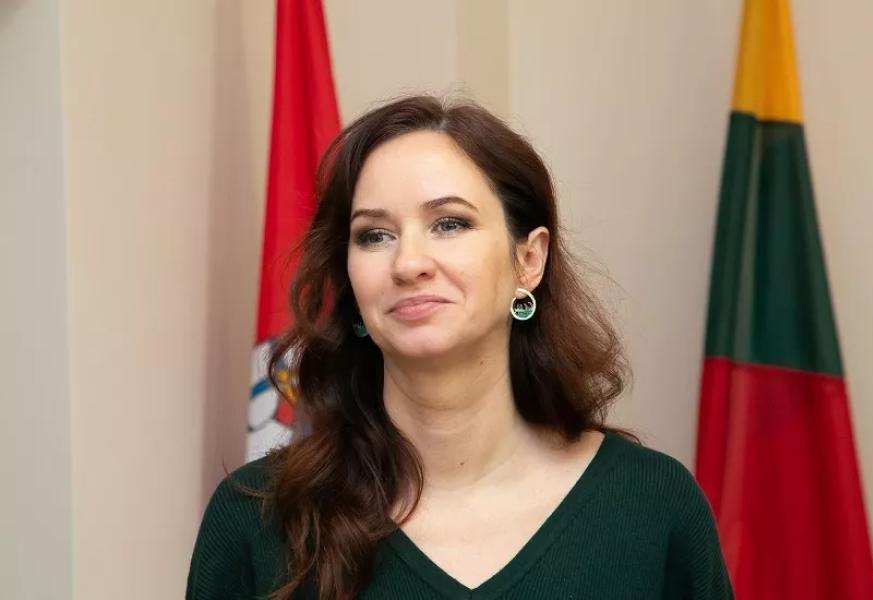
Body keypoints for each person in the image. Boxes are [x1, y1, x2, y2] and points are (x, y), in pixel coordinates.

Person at [186, 94, 734, 600]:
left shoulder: (654, 507)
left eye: (449, 224)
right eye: (374, 235)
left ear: (529, 260)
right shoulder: (255, 519)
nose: (408, 264)